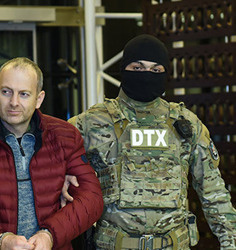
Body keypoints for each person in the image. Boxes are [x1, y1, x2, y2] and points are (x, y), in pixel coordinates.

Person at [67, 34, 236, 249]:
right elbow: (52, 171)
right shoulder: (90, 123)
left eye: (155, 70)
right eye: (137, 67)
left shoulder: (187, 124)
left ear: (165, 74)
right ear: (123, 69)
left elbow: (213, 192)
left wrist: (230, 242)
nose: (146, 74)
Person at [0, 57, 103, 249]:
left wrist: (49, 235)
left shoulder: (65, 137)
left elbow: (91, 200)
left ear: (39, 99)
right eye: (6, 92)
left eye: (24, 94)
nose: (14, 102)